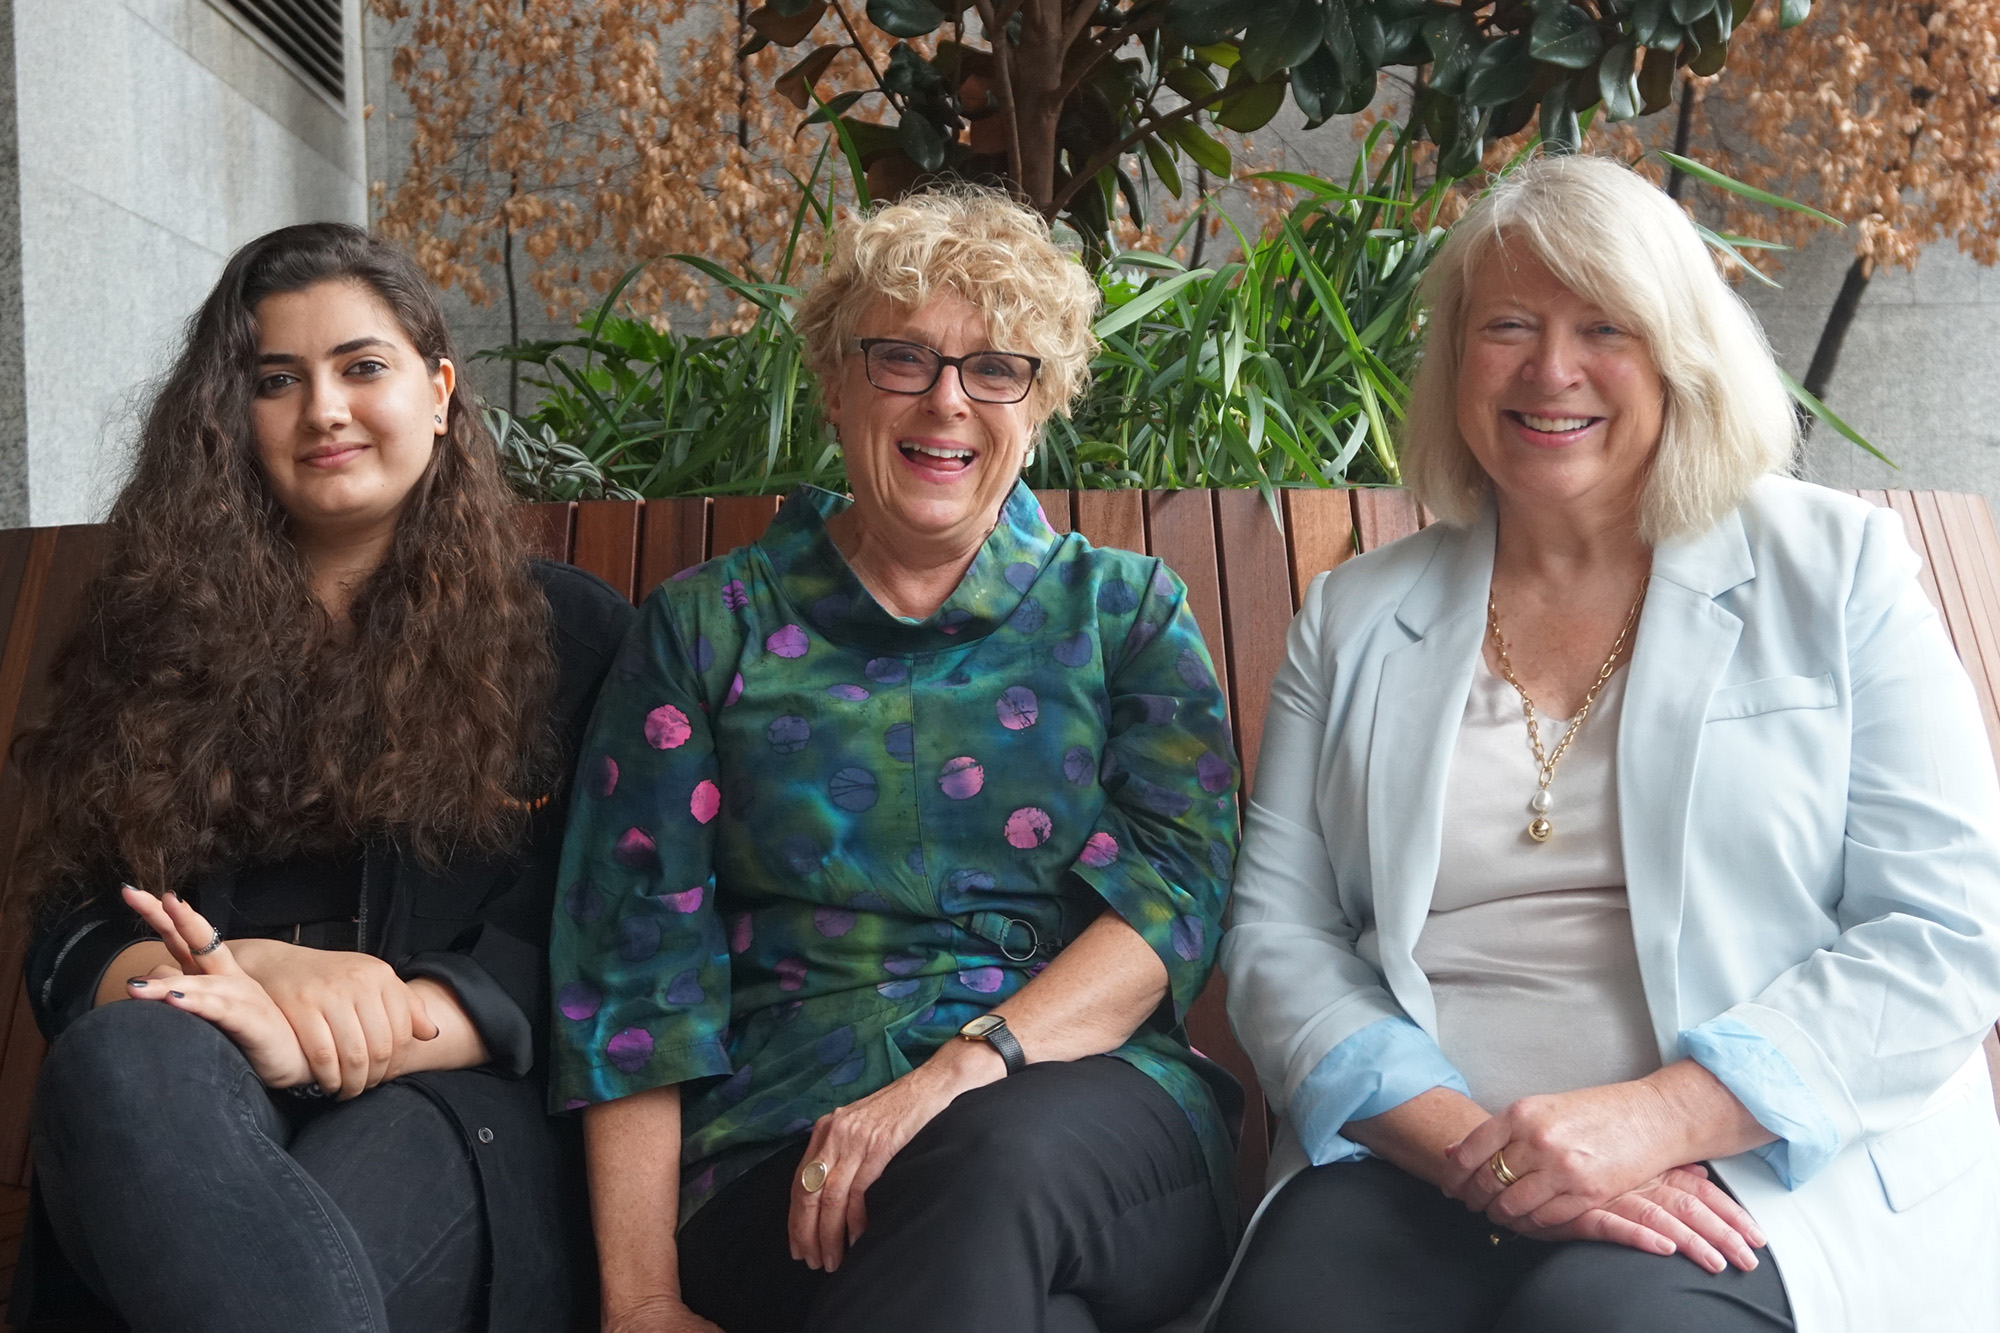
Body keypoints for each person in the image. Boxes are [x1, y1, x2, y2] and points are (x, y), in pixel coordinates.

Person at [1214, 152, 2000, 1333]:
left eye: (1603, 327)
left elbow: (1944, 930)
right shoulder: (1357, 615)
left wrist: (1650, 1120)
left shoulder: (1834, 571)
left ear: (1679, 352)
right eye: (1508, 325)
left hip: (1749, 1173)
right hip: (1424, 1159)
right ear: (1453, 361)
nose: (1550, 370)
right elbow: (1279, 937)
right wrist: (1479, 1149)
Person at [550, 186, 1241, 1333]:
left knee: (985, 1165)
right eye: (901, 358)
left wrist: (959, 1069)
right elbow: (633, 970)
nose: (946, 402)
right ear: (833, 381)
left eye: (995, 368)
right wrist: (642, 1299)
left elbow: (1171, 903)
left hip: (1084, 1113)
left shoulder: (1121, 614)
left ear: (1043, 400)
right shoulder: (704, 630)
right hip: (786, 1142)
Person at [14, 223, 633, 1333]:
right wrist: (250, 973)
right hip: (183, 1090)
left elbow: (591, 938)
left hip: (444, 1105)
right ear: (230, 420)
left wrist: (367, 1020)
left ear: (438, 392)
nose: (324, 411)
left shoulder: (568, 637)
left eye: (362, 367)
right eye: (275, 381)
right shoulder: (151, 640)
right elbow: (69, 936)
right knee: (121, 1056)